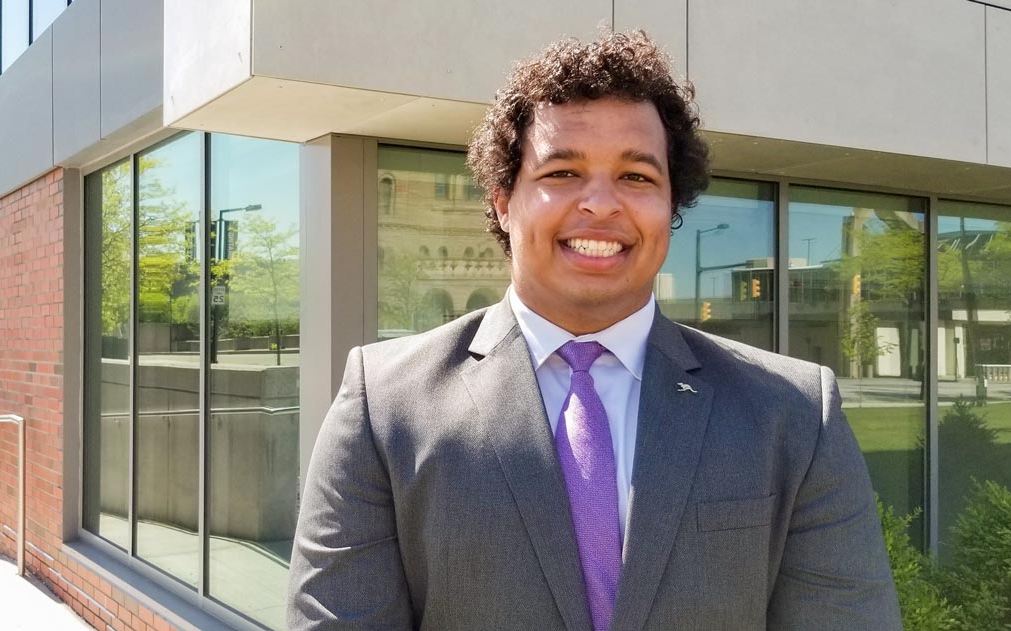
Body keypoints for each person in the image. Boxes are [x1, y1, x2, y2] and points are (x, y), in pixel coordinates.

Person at [287, 31, 901, 631]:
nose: (602, 204)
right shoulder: (384, 406)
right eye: (562, 173)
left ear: (671, 205)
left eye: (637, 177)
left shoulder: (793, 414)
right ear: (504, 201)